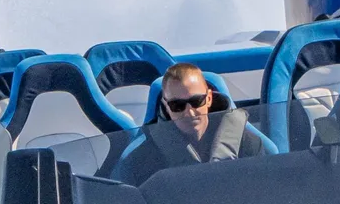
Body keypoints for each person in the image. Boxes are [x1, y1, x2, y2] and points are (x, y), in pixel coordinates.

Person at [107, 62, 262, 179]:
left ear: (208, 98)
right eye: (177, 105)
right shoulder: (141, 158)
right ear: (166, 106)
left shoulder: (247, 144)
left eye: (196, 101)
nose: (190, 112)